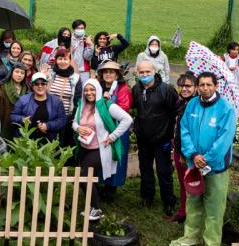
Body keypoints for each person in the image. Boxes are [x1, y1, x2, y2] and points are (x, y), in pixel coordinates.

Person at [170, 72, 236, 246]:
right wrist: (192, 154)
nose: (205, 88)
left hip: (216, 167)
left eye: (208, 84)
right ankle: (191, 237)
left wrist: (206, 159)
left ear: (215, 86)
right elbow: (184, 130)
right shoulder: (192, 104)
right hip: (194, 164)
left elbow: (224, 139)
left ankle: (211, 241)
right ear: (197, 87)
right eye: (202, 85)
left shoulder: (226, 109)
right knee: (194, 203)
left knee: (214, 208)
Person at [72, 79, 134, 221]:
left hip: (101, 149)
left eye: (92, 89)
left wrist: (113, 136)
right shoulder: (82, 105)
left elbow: (127, 119)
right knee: (88, 178)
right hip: (84, 147)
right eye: (86, 90)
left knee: (83, 175)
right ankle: (92, 204)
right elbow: (74, 122)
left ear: (98, 90)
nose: (89, 93)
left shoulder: (106, 105)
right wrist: (78, 128)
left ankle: (96, 209)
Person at [132, 60, 179, 216]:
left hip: (162, 139)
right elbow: (135, 109)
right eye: (141, 72)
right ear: (137, 73)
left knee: (164, 171)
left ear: (154, 72)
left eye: (147, 72)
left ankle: (168, 201)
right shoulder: (136, 89)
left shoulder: (166, 90)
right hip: (143, 139)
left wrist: (169, 135)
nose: (144, 75)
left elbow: (174, 113)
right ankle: (147, 197)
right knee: (145, 169)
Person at [96, 61, 134, 199]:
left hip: (117, 128)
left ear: (117, 74)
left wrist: (109, 102)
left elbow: (125, 108)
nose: (108, 74)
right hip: (101, 128)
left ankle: (111, 187)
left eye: (111, 72)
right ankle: (101, 183)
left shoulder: (123, 89)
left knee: (115, 157)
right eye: (105, 72)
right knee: (102, 156)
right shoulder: (98, 87)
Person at [169, 72, 198, 224]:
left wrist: (184, 154)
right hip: (178, 149)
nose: (184, 89)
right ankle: (183, 211)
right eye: (182, 86)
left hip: (188, 153)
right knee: (182, 181)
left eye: (188, 86)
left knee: (190, 182)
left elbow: (191, 133)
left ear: (196, 87)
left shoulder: (196, 106)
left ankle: (190, 214)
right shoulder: (181, 103)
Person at [11, 72, 67, 141]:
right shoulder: (23, 100)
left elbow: (62, 120)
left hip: (48, 141)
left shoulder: (56, 102)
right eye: (36, 84)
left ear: (46, 85)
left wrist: (48, 126)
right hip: (26, 140)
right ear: (32, 86)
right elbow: (13, 116)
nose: (40, 86)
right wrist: (22, 119)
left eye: (43, 83)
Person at [47, 47, 83, 147]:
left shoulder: (75, 78)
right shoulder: (50, 75)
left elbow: (78, 100)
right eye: (60, 59)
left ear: (70, 60)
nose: (63, 62)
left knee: (63, 145)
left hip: (66, 118)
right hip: (49, 117)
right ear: (56, 60)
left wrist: (72, 118)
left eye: (65, 59)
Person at [0, 62, 29, 140]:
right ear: (11, 72)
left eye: (22, 73)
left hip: (18, 124)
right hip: (3, 121)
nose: (19, 75)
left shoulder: (27, 90)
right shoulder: (2, 86)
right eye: (17, 71)